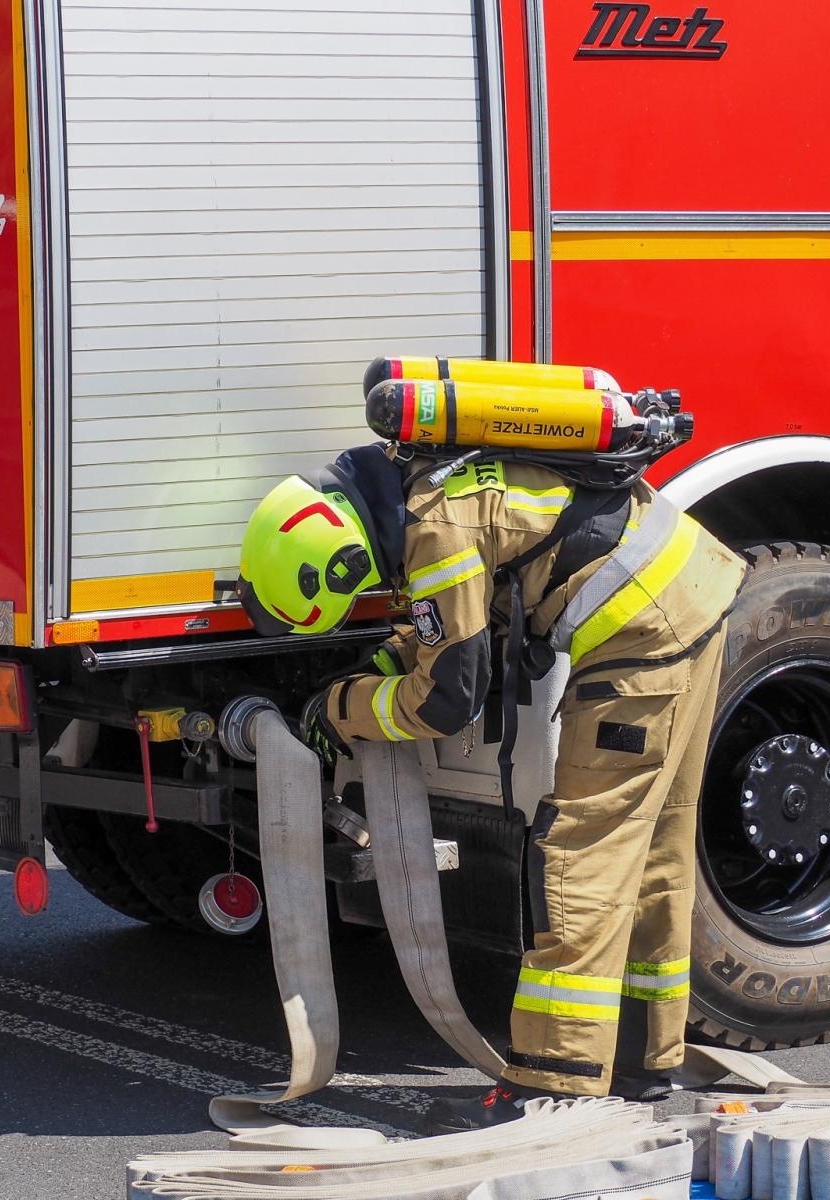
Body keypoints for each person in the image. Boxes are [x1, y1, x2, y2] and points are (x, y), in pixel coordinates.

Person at [235, 426, 746, 1133]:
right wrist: (386, 664)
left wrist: (343, 709)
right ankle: (642, 1053)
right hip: (691, 590)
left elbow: (447, 699)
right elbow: (463, 616)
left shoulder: (433, 528)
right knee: (654, 842)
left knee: (580, 854)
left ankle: (555, 1080)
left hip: (642, 635)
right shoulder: (419, 487)